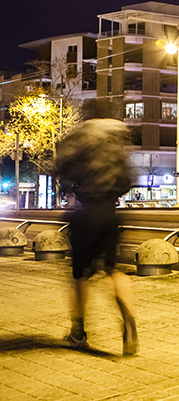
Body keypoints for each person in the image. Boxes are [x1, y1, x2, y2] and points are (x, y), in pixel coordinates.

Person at [55, 99, 137, 355]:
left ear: (86, 115)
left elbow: (62, 169)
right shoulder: (117, 138)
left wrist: (72, 189)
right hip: (111, 213)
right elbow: (127, 179)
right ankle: (129, 320)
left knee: (80, 274)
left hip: (87, 210)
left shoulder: (81, 136)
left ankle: (78, 333)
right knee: (114, 270)